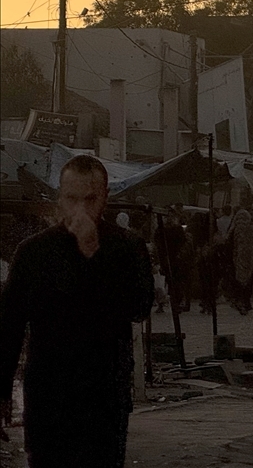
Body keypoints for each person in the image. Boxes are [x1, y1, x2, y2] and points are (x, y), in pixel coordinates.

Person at [0, 155, 154, 468]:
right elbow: (9, 325)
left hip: (104, 397)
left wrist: (93, 255)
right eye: (72, 198)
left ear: (105, 198)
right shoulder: (33, 252)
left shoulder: (126, 248)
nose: (80, 209)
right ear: (60, 198)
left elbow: (139, 307)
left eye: (90, 199)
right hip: (49, 395)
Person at [229, 210, 253, 315]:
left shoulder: (234, 230)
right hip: (250, 259)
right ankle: (246, 302)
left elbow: (229, 244)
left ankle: (240, 301)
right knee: (248, 281)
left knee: (239, 281)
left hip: (237, 260)